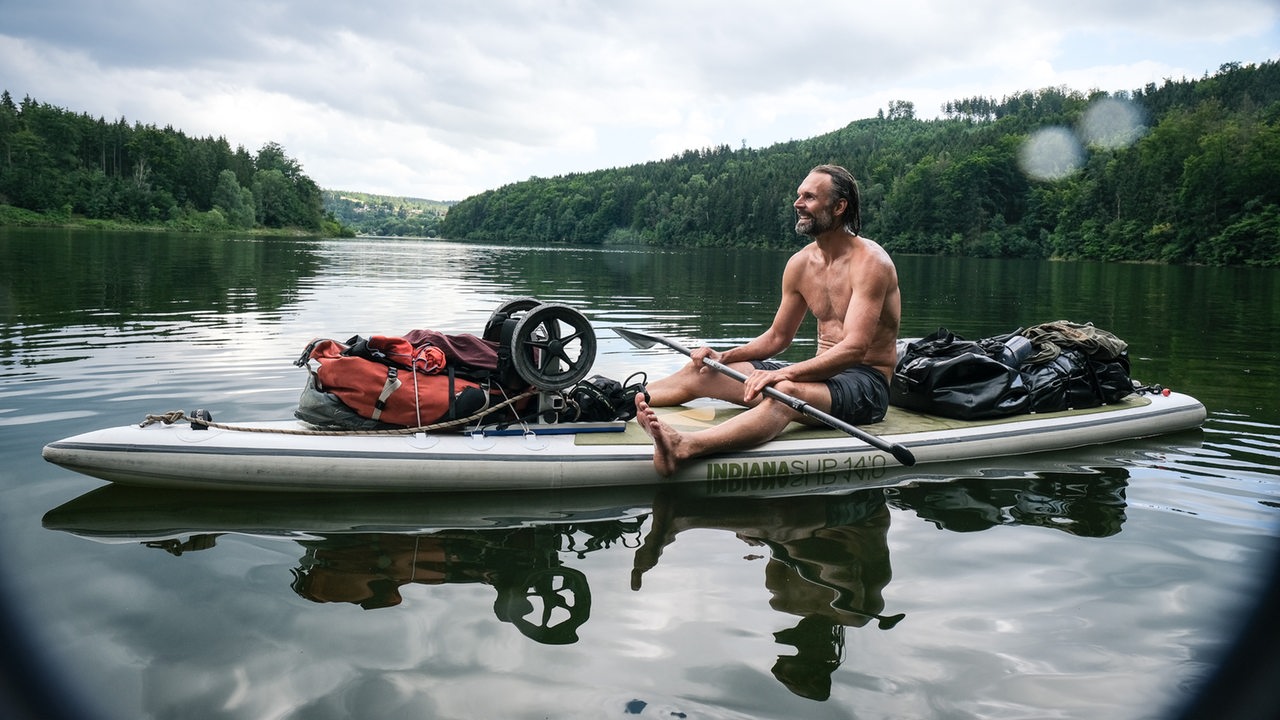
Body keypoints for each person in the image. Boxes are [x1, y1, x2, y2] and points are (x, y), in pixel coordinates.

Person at [635, 164, 901, 477]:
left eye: (809, 197)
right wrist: (724, 356)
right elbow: (777, 337)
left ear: (839, 206)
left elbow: (855, 348)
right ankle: (616, 400)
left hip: (865, 384)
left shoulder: (871, 263)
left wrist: (781, 375)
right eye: (799, 195)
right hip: (821, 378)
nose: (797, 203)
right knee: (703, 372)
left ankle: (684, 447)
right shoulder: (800, 264)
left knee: (785, 390)